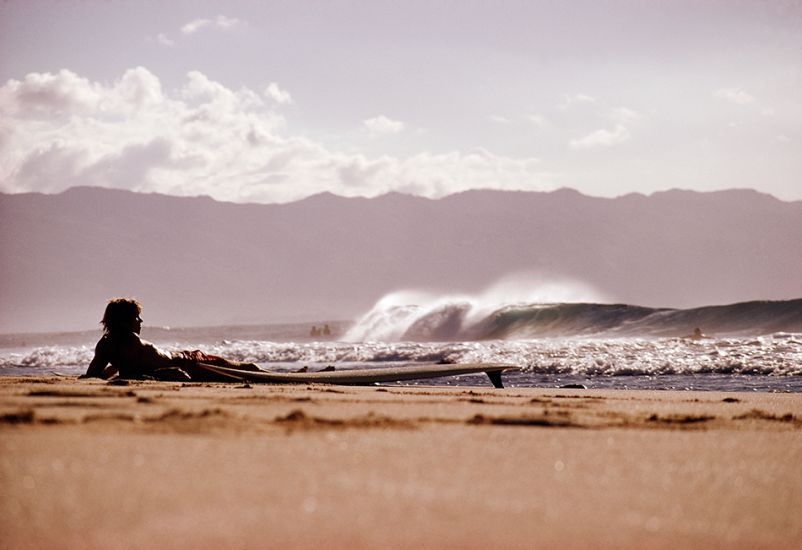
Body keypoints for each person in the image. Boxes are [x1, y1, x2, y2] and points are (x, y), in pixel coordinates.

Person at [82, 298, 262, 381]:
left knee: (248, 369)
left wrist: (114, 371)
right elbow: (135, 370)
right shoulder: (132, 341)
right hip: (192, 364)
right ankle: (286, 380)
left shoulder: (105, 344)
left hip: (186, 359)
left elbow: (95, 375)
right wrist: (161, 374)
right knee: (250, 369)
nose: (141, 321)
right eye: (137, 317)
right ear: (125, 320)